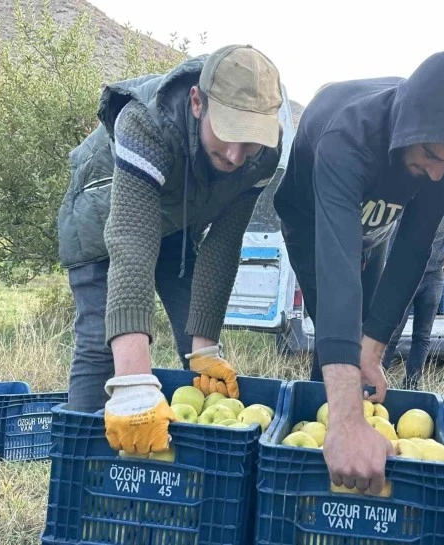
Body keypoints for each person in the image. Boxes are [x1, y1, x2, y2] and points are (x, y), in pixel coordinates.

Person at [273, 45, 444, 495]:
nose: (438, 176)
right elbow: (337, 265)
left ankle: (345, 420)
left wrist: (374, 349)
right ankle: (327, 438)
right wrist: (345, 418)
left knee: (363, 336)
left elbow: (415, 244)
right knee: (334, 329)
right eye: (431, 157)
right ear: (408, 128)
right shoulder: (347, 137)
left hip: (374, 226)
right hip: (312, 224)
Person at [56, 44, 284, 455]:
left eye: (249, 141)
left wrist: (204, 348)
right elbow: (132, 242)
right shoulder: (146, 123)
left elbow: (223, 244)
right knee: (97, 340)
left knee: (194, 347)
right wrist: (132, 382)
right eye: (228, 132)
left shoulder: (262, 156)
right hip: (104, 213)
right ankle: (86, 469)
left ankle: (188, 461)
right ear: (198, 102)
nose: (236, 156)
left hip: (175, 225)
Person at [381, 203, 444, 389]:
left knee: (422, 336)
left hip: (432, 279)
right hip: (402, 278)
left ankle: (411, 386)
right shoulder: (402, 199)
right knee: (390, 333)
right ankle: (375, 381)